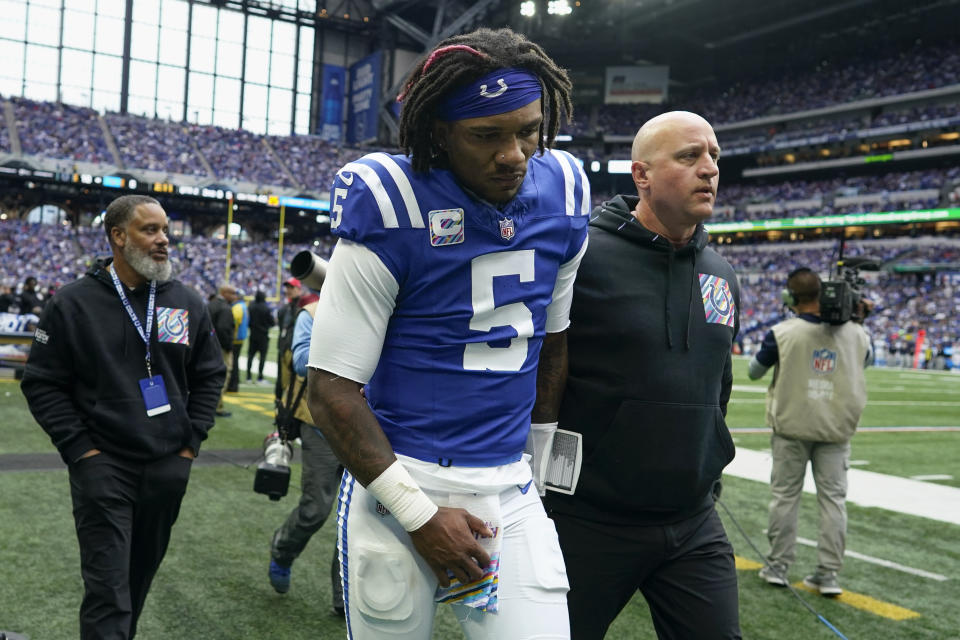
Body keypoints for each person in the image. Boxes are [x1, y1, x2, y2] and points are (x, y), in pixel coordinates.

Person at [306, 27, 590, 639]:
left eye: (529, 130)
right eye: (487, 135)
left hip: (509, 487)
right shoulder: (392, 201)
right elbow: (330, 390)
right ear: (439, 131)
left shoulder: (562, 190)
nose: (514, 153)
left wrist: (537, 468)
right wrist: (419, 514)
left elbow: (553, 343)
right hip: (401, 487)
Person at [544, 111, 742, 640]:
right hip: (588, 519)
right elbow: (539, 375)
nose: (709, 169)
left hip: (693, 519)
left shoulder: (720, 273)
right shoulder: (581, 258)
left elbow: (717, 386)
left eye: (715, 157)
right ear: (641, 176)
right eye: (689, 156)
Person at [20, 194, 225, 639]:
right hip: (104, 465)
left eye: (165, 230)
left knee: (135, 584)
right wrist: (83, 453)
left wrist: (190, 445)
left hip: (167, 466)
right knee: (107, 593)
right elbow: (41, 382)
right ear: (118, 236)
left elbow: (210, 375)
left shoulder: (186, 301)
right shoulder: (72, 303)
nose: (164, 240)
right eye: (150, 230)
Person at [750, 267, 872, 596]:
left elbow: (753, 371)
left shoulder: (782, 332)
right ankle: (829, 574)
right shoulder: (858, 334)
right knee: (833, 502)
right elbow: (867, 360)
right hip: (836, 430)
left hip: (792, 427)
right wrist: (857, 323)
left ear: (791, 298)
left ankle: (777, 567)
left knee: (785, 498)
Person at [268, 286, 344, 616]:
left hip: (373, 426)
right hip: (321, 422)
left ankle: (345, 598)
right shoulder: (311, 313)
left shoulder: (384, 309)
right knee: (317, 507)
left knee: (357, 517)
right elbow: (301, 362)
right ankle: (282, 549)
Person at [208, 284, 237, 417]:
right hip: (221, 348)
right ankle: (217, 406)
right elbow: (224, 329)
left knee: (209, 377)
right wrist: (229, 347)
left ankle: (208, 405)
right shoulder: (224, 308)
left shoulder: (211, 304)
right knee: (222, 377)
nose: (235, 296)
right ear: (225, 293)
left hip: (209, 346)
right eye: (233, 293)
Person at [246, 289, 275, 383]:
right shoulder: (266, 308)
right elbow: (272, 323)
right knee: (262, 357)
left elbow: (248, 321)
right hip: (263, 336)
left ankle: (248, 377)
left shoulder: (251, 307)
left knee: (250, 356)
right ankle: (260, 377)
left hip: (253, 334)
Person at [227, 290, 249, 391]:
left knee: (233, 362)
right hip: (240, 337)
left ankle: (233, 384)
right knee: (235, 361)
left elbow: (234, 321)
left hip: (236, 338)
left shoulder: (238, 307)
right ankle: (234, 384)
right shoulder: (243, 305)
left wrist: (231, 334)